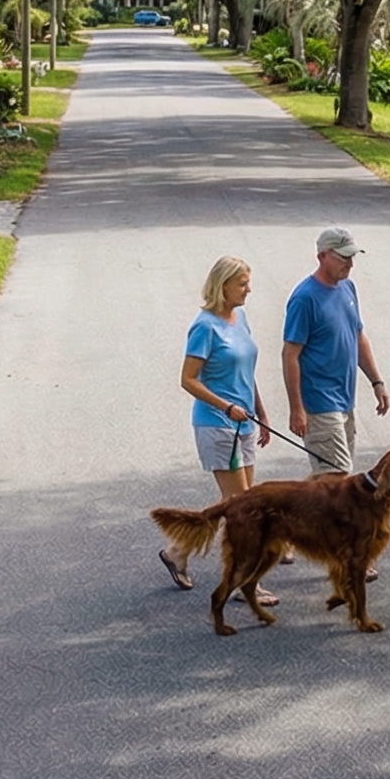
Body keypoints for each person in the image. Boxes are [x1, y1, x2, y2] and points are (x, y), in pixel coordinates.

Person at [163, 254, 275, 600]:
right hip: (217, 425)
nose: (249, 289)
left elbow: (246, 372)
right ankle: (245, 583)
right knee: (244, 509)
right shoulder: (204, 326)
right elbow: (188, 380)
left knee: (239, 506)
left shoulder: (239, 318)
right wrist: (226, 406)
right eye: (242, 283)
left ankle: (178, 551)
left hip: (244, 424)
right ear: (222, 285)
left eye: (248, 282)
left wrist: (261, 412)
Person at [281, 226, 389, 480]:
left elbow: (358, 337)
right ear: (322, 256)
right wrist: (297, 408)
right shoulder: (305, 298)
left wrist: (377, 382)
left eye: (352, 257)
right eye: (343, 257)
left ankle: (304, 517)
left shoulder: (347, 288)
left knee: (332, 482)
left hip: (345, 399)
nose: (350, 264)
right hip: (319, 403)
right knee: (336, 478)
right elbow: (290, 355)